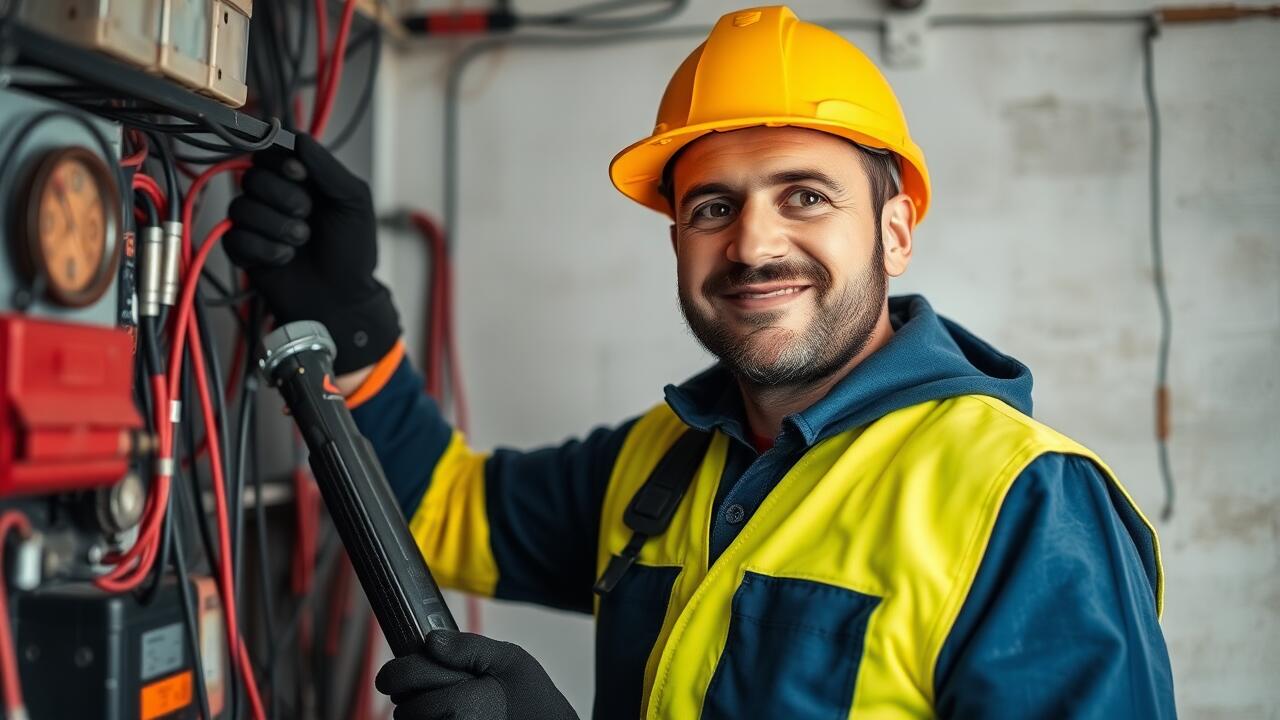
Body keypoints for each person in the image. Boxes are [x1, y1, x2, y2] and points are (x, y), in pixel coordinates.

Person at [225, 5, 1175, 718]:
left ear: (894, 234)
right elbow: (443, 510)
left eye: (804, 196)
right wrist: (351, 319)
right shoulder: (662, 460)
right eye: (713, 207)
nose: (754, 246)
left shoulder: (1025, 504)